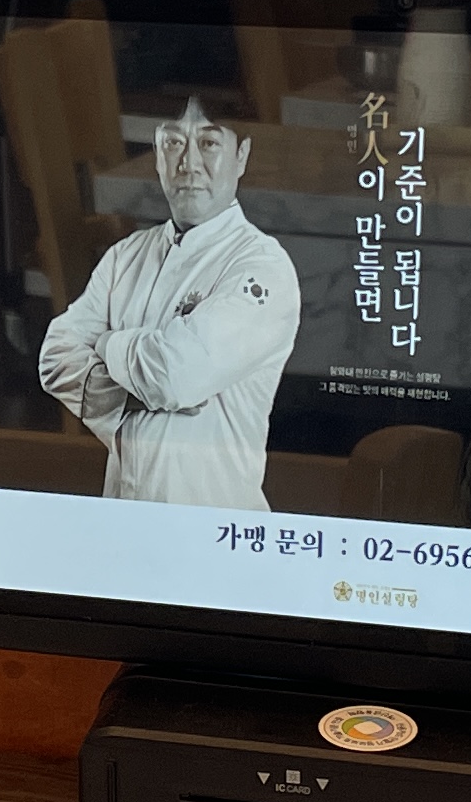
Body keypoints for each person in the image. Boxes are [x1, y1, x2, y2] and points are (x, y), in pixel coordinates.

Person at [36, 92, 299, 507]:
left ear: (242, 156)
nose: (188, 163)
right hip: (121, 519)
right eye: (173, 142)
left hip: (214, 525)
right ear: (157, 154)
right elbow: (54, 358)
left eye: (208, 143)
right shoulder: (125, 255)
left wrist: (107, 344)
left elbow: (177, 375)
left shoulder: (263, 266)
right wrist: (133, 394)